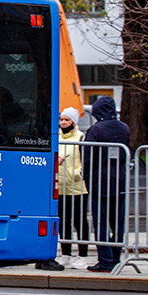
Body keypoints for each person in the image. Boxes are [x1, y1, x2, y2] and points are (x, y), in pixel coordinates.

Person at [83, 96, 130, 273]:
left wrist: (86, 176)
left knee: (101, 222)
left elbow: (87, 156)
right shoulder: (124, 127)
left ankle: (105, 260)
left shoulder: (95, 129)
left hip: (100, 181)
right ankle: (116, 258)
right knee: (117, 223)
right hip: (120, 180)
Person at [56, 107, 90, 268]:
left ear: (73, 122)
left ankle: (82, 255)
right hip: (60, 186)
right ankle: (66, 254)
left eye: (66, 120)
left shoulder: (81, 137)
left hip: (77, 187)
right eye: (61, 119)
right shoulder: (56, 137)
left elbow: (84, 161)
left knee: (79, 221)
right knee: (63, 221)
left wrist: (76, 174)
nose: (63, 122)